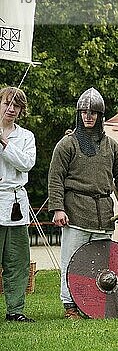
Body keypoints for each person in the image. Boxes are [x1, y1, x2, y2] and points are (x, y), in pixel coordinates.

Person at [49, 88, 118, 319]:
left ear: (100, 116)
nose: (88, 116)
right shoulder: (67, 144)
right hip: (76, 210)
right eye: (84, 112)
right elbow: (56, 177)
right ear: (79, 114)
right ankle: (70, 305)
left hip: (103, 214)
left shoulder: (111, 146)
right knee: (72, 261)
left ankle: (91, 305)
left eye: (93, 113)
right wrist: (58, 208)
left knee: (99, 264)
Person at [0, 87, 36, 323]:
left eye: (16, 106)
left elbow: (26, 163)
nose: (11, 109)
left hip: (15, 204)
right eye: (7, 103)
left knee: (17, 261)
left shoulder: (26, 136)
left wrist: (5, 144)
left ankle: (15, 309)